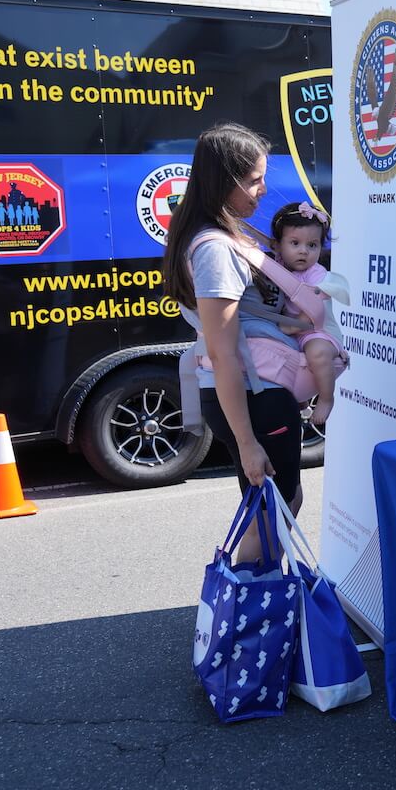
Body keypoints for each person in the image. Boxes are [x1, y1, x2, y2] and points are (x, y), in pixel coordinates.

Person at [162, 122, 303, 560]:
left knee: (273, 505)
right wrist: (247, 443)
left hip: (247, 394)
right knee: (273, 509)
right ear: (225, 181)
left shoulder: (205, 237)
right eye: (254, 180)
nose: (263, 190)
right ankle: (248, 612)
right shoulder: (215, 250)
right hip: (253, 395)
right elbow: (224, 355)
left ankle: (251, 610)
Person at [269, 201, 349, 424]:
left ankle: (325, 398)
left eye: (312, 245)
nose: (304, 251)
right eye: (295, 243)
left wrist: (294, 326)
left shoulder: (316, 274)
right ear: (277, 246)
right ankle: (299, 398)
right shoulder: (278, 265)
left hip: (318, 330)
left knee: (317, 354)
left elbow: (316, 307)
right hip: (293, 332)